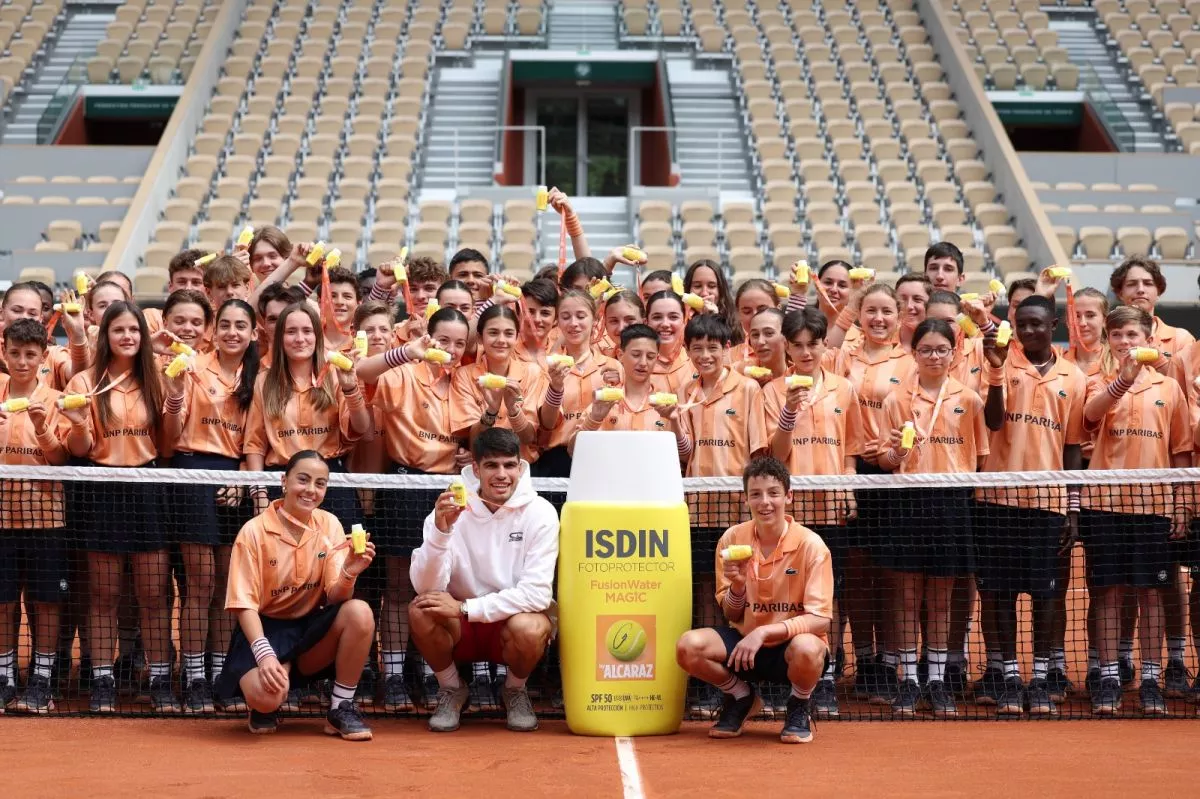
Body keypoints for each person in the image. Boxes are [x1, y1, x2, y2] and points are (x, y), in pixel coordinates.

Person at [63, 301, 176, 713]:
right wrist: (77, 421)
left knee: (153, 595)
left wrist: (176, 398)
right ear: (105, 335)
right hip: (101, 489)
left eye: (134, 330)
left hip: (147, 489)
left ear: (143, 336)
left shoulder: (157, 380)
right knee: (103, 596)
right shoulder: (83, 383)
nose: (127, 336)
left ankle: (161, 677)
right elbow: (81, 448)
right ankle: (102, 680)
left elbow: (165, 446)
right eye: (119, 330)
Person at [217, 450, 378, 740]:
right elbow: (244, 605)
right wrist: (265, 655)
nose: (311, 490)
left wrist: (349, 572)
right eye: (303, 480)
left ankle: (341, 707)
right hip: (265, 630)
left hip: (310, 632)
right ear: (284, 481)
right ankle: (270, 698)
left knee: (360, 612)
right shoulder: (253, 531)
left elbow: (336, 599)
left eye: (320, 483)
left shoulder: (329, 525)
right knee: (267, 697)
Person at [975, 296, 1086, 717]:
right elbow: (992, 421)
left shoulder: (1073, 378)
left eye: (1038, 324)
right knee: (997, 594)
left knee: (1045, 596)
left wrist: (1072, 509)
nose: (1029, 332)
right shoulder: (999, 363)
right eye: (1022, 324)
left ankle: (1039, 676)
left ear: (1054, 323)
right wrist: (998, 371)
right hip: (996, 501)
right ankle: (1004, 674)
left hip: (1047, 504)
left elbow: (1073, 447)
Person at [409, 428, 559, 733]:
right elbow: (424, 587)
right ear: (476, 469)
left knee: (533, 626)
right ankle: (452, 688)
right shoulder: (448, 511)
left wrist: (466, 608)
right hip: (460, 629)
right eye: (491, 465)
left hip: (506, 624)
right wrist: (441, 532)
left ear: (520, 467)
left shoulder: (541, 513)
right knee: (420, 609)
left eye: (509, 465)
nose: (501, 474)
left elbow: (538, 595)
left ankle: (514, 690)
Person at [1081, 305, 1191, 716]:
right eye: (1117, 336)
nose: (1125, 343)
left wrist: (1181, 503)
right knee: (1107, 592)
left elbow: (1180, 452)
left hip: (1152, 506)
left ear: (1148, 339)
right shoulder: (1097, 379)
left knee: (1152, 594)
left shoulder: (1169, 388)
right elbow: (1088, 418)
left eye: (1132, 335)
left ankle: (1149, 678)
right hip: (1104, 504)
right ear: (1108, 341)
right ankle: (1109, 675)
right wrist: (1120, 384)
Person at [675, 456, 832, 744]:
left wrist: (764, 632)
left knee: (810, 648)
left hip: (790, 648)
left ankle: (799, 704)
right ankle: (741, 696)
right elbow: (732, 615)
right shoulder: (732, 540)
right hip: (745, 644)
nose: (765, 502)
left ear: (789, 496)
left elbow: (820, 618)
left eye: (773, 493)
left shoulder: (812, 545)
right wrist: (737, 587)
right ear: (746, 499)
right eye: (756, 494)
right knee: (688, 647)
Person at [361, 307, 473, 710]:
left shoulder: (463, 380)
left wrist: (469, 456)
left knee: (440, 588)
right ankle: (392, 674)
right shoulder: (404, 371)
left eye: (461, 343)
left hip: (448, 490)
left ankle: (432, 673)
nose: (453, 350)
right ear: (429, 336)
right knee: (395, 587)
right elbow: (362, 373)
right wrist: (408, 351)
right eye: (444, 341)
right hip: (404, 485)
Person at [878, 318, 988, 718]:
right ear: (915, 353)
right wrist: (896, 455)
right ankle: (909, 680)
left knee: (941, 599)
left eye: (942, 349)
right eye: (926, 349)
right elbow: (886, 459)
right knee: (907, 597)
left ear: (953, 354)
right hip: (907, 500)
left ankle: (937, 680)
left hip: (952, 502)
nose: (934, 356)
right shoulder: (896, 400)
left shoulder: (969, 398)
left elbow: (981, 457)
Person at [162, 299, 260, 713]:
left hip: (236, 479)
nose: (233, 332)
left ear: (254, 333)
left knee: (227, 589)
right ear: (213, 331)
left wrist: (241, 481)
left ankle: (222, 676)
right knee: (199, 586)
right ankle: (196, 677)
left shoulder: (260, 376)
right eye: (225, 325)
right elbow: (171, 432)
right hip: (192, 473)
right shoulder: (192, 367)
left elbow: (256, 439)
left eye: (241, 325)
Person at [764, 307, 863, 719]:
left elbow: (852, 448)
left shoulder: (844, 389)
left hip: (832, 507)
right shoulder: (771, 391)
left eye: (813, 344)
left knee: (828, 595)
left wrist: (851, 488)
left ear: (825, 345)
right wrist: (789, 409)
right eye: (797, 345)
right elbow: (774, 454)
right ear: (786, 347)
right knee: (784, 594)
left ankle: (825, 673)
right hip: (790, 514)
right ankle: (777, 676)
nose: (806, 352)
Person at [826, 284, 913, 705]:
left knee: (892, 574)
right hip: (850, 470)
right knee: (857, 574)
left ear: (899, 318)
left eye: (887, 312)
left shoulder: (911, 362)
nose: (878, 319)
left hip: (893, 475)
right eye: (870, 311)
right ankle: (865, 661)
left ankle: (890, 662)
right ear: (859, 316)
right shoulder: (844, 358)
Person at [0, 319, 71, 713]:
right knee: (2, 601)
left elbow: (61, 459)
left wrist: (43, 428)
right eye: (15, 353)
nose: (22, 361)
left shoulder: (57, 400)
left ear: (44, 357)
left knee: (46, 602)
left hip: (46, 517)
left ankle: (42, 676)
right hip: (1, 518)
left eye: (31, 355)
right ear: (4, 352)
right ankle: (5, 675)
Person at [534, 289, 621, 477]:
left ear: (596, 320)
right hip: (557, 462)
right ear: (558, 322)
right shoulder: (547, 366)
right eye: (566, 317)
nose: (573, 323)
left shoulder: (613, 367)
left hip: (605, 459)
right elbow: (547, 424)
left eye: (581, 316)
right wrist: (556, 387)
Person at [569, 324, 688, 452]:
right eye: (636, 355)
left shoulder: (666, 406)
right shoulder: (604, 403)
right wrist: (594, 419)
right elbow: (573, 450)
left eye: (650, 356)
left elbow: (685, 455)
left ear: (656, 359)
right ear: (620, 355)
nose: (643, 363)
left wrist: (674, 421)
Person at [449, 305, 546, 463]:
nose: (501, 340)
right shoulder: (464, 375)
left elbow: (529, 437)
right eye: (493, 333)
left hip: (522, 465)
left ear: (516, 338)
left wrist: (513, 411)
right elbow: (473, 442)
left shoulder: (532, 372)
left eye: (508, 334)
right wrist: (491, 411)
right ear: (480, 338)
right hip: (483, 466)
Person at [144, 250, 207, 333]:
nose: (188, 288)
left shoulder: (218, 324)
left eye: (196, 282)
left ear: (207, 288)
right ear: (170, 286)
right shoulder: (152, 318)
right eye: (182, 282)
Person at [645, 291, 693, 393]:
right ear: (646, 322)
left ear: (684, 320)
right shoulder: (636, 367)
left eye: (673, 317)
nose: (665, 324)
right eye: (657, 317)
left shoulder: (697, 361)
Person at [685, 259, 740, 345]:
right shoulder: (677, 320)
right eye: (697, 286)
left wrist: (714, 319)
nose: (704, 293)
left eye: (711, 286)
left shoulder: (735, 322)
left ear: (721, 290)